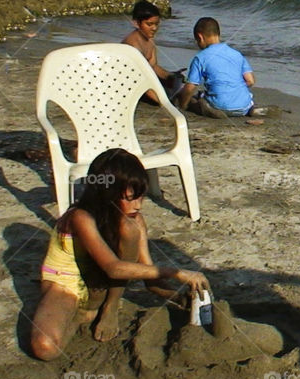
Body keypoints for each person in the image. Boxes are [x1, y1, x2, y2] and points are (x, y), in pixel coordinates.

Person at [30, 148, 210, 361]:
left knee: (130, 227)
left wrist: (179, 297)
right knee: (45, 348)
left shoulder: (134, 221)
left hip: (99, 285)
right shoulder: (80, 217)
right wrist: (177, 272)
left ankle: (109, 307)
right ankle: (82, 314)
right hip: (66, 283)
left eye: (141, 197)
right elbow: (112, 267)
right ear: (108, 195)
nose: (138, 205)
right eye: (130, 198)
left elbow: (149, 280)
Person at [177, 17, 267, 118]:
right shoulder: (237, 54)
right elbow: (250, 81)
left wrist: (183, 105)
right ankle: (251, 109)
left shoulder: (200, 58)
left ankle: (214, 110)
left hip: (219, 105)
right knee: (243, 99)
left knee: (193, 100)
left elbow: (190, 88)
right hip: (243, 106)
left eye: (197, 41)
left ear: (200, 37)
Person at [121, 0, 184, 104]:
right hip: (128, 86)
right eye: (149, 24)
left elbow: (153, 66)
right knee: (173, 96)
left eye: (156, 24)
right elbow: (141, 81)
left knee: (177, 83)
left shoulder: (149, 39)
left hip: (144, 81)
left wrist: (171, 76)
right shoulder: (133, 46)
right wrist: (165, 103)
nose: (154, 28)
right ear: (136, 23)